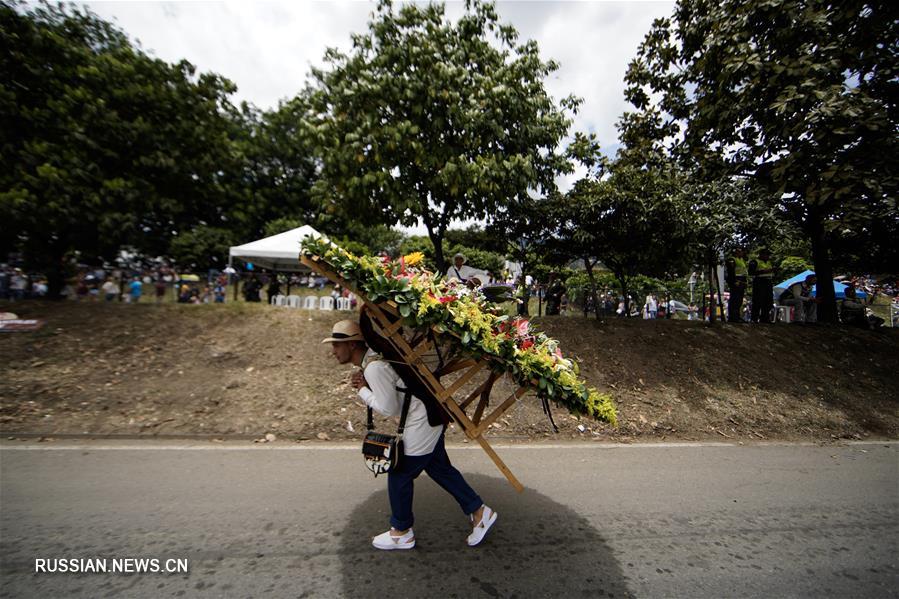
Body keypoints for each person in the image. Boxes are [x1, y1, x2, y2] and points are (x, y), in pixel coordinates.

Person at [323, 320, 496, 551]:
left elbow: (389, 408)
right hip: (429, 415)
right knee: (439, 468)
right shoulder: (374, 360)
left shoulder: (374, 367)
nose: (333, 350)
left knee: (399, 472)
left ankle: (401, 532)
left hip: (423, 421)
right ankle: (479, 511)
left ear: (353, 345)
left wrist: (363, 391)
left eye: (337, 344)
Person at [749, 248, 775, 323]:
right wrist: (764, 271)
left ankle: (765, 318)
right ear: (761, 254)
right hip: (759, 281)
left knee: (768, 300)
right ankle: (754, 318)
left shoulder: (769, 262)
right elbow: (751, 272)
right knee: (758, 300)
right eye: (766, 254)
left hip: (768, 281)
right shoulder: (754, 262)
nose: (768, 256)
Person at [725, 248, 748, 322]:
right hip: (736, 281)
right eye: (741, 252)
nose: (742, 253)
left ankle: (737, 316)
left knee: (739, 300)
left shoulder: (741, 260)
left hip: (741, 281)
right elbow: (731, 271)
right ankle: (733, 317)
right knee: (735, 299)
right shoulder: (732, 259)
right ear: (737, 252)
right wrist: (734, 281)